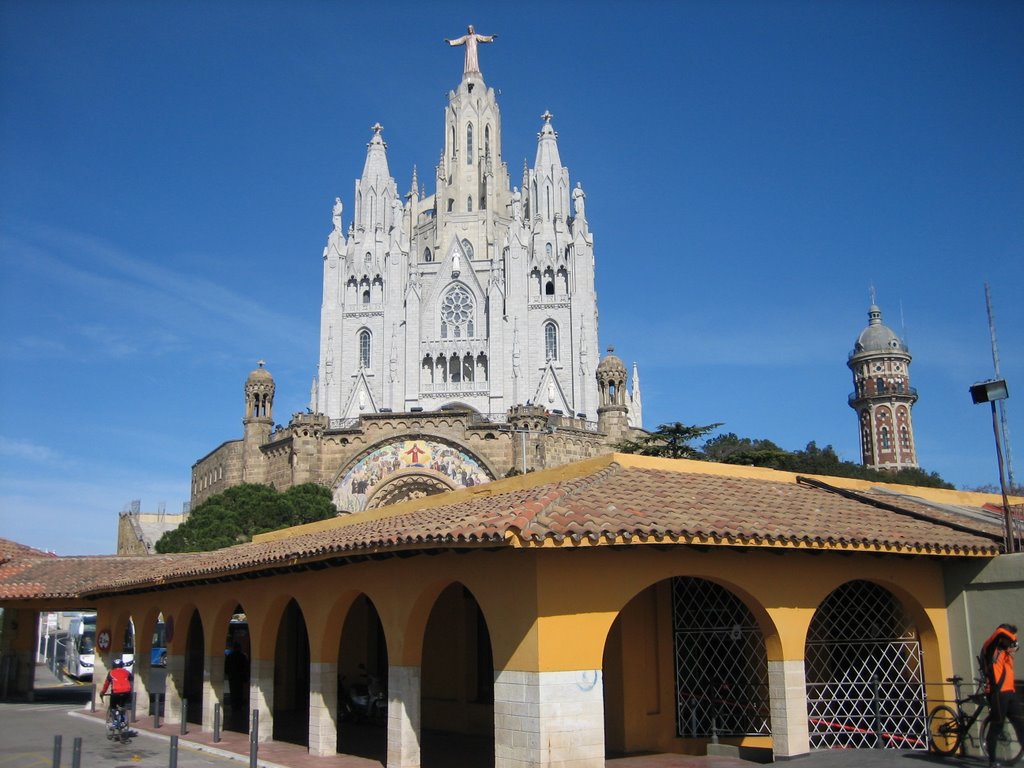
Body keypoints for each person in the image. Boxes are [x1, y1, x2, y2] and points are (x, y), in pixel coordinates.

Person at [981, 623, 1023, 767]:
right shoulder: (990, 648)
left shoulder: (1006, 653)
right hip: (998, 694)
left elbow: (1016, 646)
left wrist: (1014, 643)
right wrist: (1012, 635)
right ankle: (992, 760)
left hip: (1010, 692)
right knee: (997, 726)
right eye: (1008, 639)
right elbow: (999, 632)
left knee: (1020, 723)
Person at [100, 657, 134, 728]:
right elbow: (131, 682)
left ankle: (115, 721)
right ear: (122, 665)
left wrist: (102, 693)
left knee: (113, 706)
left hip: (115, 693)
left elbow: (106, 684)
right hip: (126, 692)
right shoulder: (127, 672)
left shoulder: (111, 673)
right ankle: (122, 719)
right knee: (122, 705)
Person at [224, 642, 250, 726]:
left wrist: (229, 674)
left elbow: (226, 668)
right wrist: (245, 677)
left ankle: (234, 705)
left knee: (233, 691)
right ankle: (238, 706)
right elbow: (246, 667)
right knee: (239, 691)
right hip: (240, 677)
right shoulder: (243, 657)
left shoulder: (230, 656)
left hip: (233, 677)